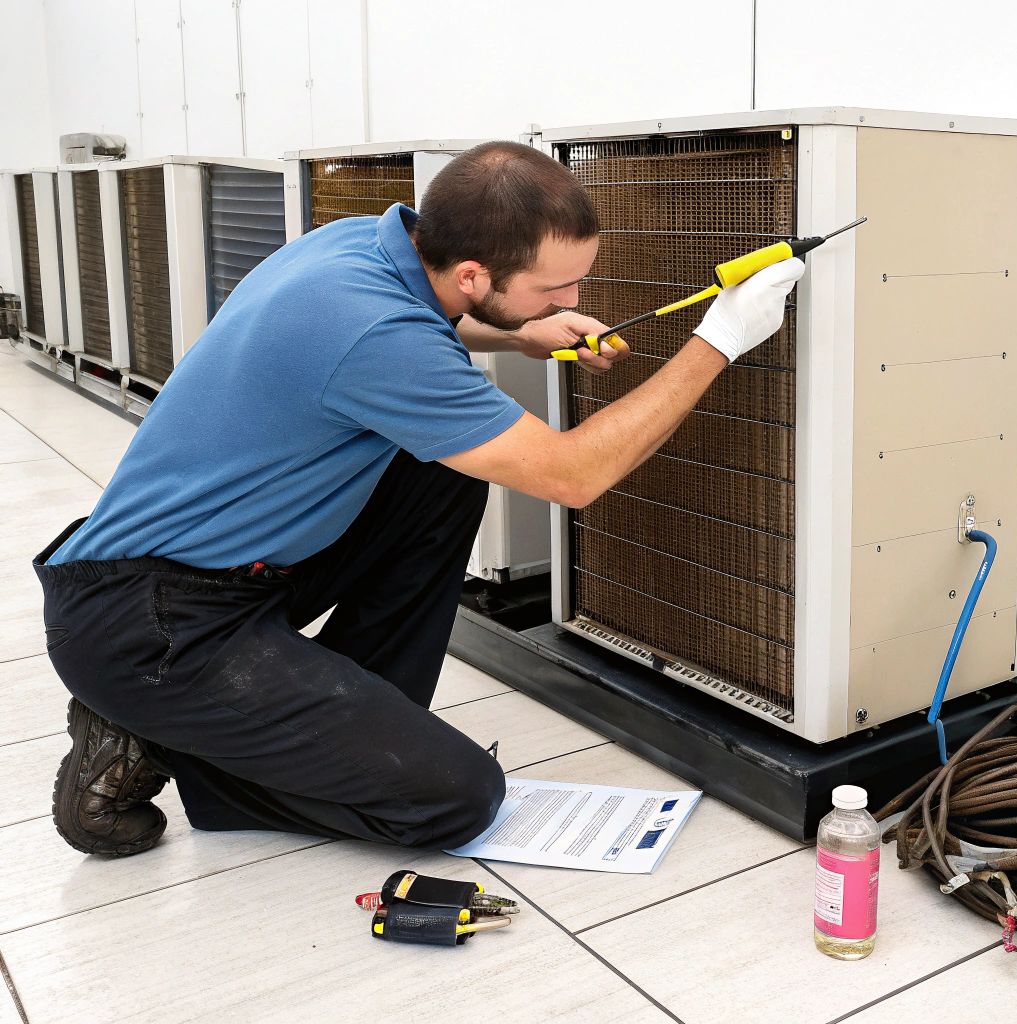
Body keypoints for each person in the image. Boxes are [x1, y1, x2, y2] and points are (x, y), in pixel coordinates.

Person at [35, 140, 803, 856]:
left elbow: (401, 329)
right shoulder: (377, 334)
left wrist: (520, 334)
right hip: (151, 623)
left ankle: (343, 718)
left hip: (234, 568)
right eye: (553, 287)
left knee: (448, 468)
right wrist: (720, 340)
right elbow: (574, 475)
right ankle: (170, 739)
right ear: (472, 274)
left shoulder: (356, 244)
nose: (572, 296)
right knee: (457, 801)